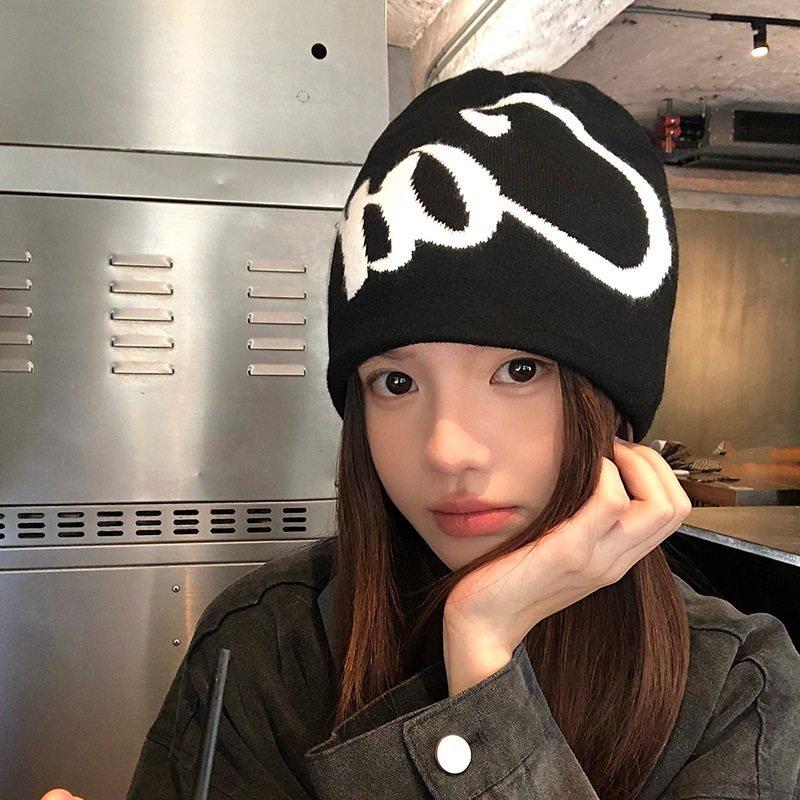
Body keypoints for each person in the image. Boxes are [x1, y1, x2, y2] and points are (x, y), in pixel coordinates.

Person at [41, 69, 800, 800]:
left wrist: (482, 649)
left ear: (610, 405)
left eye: (519, 371)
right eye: (396, 384)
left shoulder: (733, 689)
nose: (446, 450)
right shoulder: (267, 643)